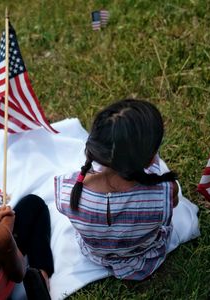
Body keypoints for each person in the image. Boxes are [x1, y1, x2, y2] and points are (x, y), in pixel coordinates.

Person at [55, 99, 179, 280]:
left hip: (95, 255)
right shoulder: (165, 193)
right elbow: (173, 206)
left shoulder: (66, 190)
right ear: (150, 158)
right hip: (145, 255)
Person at [0, 194, 54, 299]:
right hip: (1, 292)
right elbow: (18, 274)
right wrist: (6, 231)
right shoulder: (0, 237)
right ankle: (40, 283)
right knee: (34, 204)